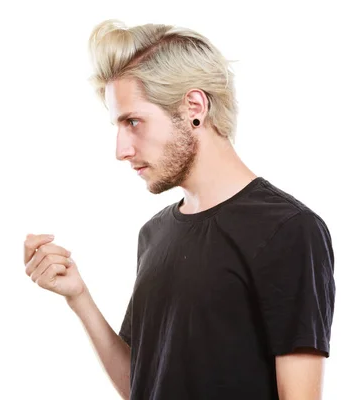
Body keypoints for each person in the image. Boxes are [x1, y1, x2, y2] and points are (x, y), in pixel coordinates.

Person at [23, 19, 336, 400]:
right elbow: (142, 385)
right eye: (117, 125)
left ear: (194, 106)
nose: (120, 150)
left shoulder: (288, 229)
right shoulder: (154, 234)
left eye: (133, 121)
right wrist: (78, 296)